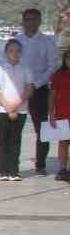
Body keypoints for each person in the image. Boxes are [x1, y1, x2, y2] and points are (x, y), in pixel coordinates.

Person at [18, 7, 58, 175]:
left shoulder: (47, 42)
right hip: (18, 89)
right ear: (23, 21)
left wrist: (38, 82)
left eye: (34, 19)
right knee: (14, 129)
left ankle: (40, 164)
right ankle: (11, 165)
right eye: (28, 19)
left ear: (39, 21)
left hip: (39, 89)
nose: (31, 22)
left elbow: (53, 65)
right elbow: (6, 61)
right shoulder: (16, 41)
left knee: (42, 129)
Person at [0, 37, 30, 182]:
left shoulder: (25, 69)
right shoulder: (0, 70)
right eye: (11, 51)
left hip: (20, 109)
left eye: (18, 51)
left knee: (15, 140)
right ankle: (3, 170)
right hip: (2, 110)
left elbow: (29, 88)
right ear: (6, 52)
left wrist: (16, 105)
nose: (15, 53)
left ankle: (14, 170)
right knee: (3, 140)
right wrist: (8, 107)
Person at [44, 48, 70, 181]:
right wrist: (51, 113)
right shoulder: (58, 75)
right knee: (63, 142)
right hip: (62, 114)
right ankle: (62, 169)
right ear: (64, 60)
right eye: (68, 57)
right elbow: (52, 95)